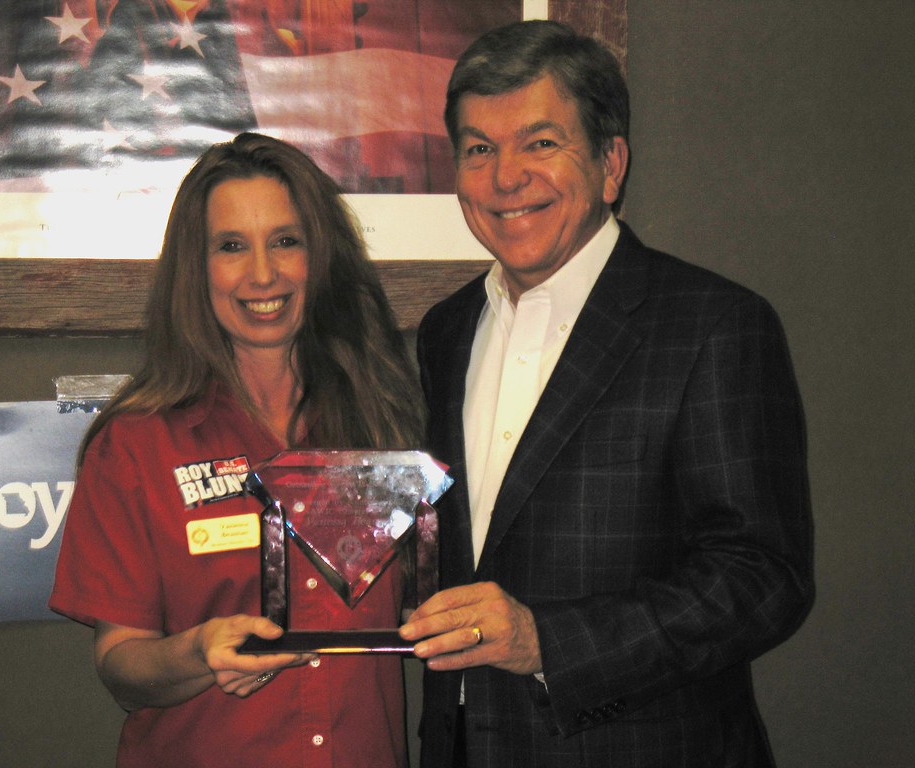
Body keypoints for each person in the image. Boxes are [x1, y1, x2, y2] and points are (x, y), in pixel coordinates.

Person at [398, 20, 814, 767]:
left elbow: (763, 578)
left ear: (611, 163)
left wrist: (545, 642)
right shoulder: (445, 332)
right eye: (479, 149)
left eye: (540, 143)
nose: (505, 177)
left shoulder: (714, 325)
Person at [50, 132, 423, 768]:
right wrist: (197, 653)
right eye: (231, 247)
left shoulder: (383, 418)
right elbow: (120, 666)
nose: (262, 274)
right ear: (196, 269)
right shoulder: (137, 443)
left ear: (320, 255)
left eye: (286, 240)